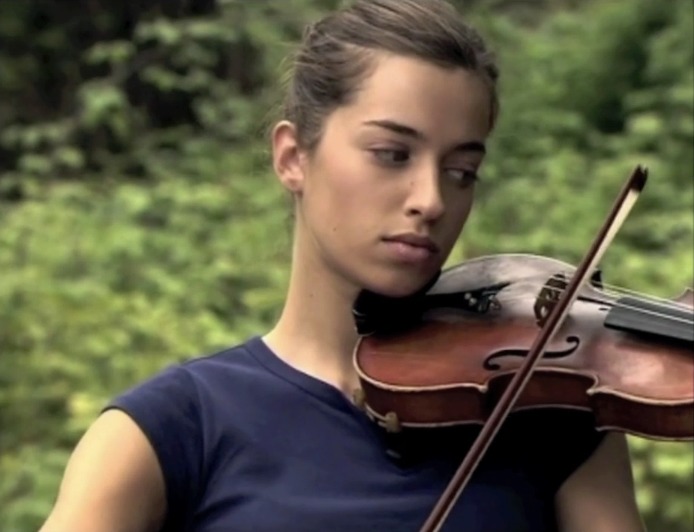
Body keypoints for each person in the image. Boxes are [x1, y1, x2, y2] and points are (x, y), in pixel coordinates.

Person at [39, 0, 646, 530]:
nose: (431, 200)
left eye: (461, 171)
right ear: (293, 157)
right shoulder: (171, 429)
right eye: (391, 154)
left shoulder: (551, 416)